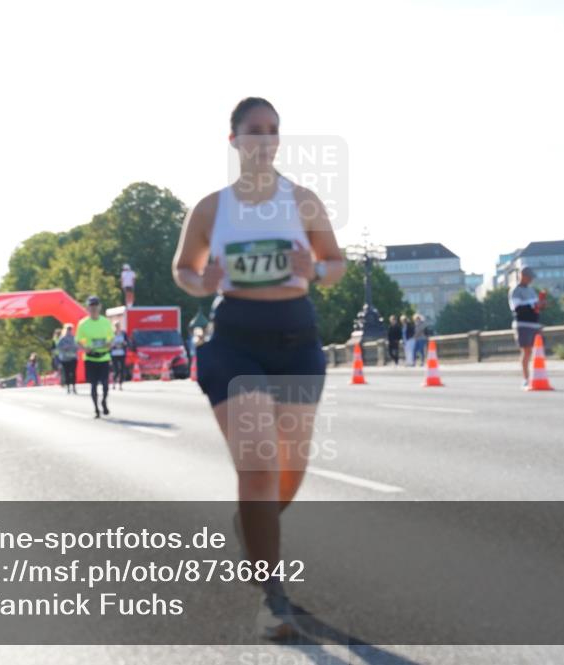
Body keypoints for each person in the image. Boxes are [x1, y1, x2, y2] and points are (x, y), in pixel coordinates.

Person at [172, 97, 345, 640]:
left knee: (291, 471)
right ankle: (273, 598)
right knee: (260, 467)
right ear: (235, 141)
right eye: (254, 131)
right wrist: (203, 280)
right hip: (235, 343)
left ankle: (251, 523)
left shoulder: (303, 201)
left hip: (296, 342)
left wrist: (314, 267)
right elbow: (185, 268)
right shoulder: (210, 209)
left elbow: (336, 264)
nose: (265, 140)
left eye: (273, 131)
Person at [76, 295, 114, 417]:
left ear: (99, 307)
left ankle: (103, 402)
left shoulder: (106, 322)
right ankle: (96, 409)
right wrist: (84, 348)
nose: (93, 309)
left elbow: (111, 338)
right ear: (88, 308)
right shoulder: (83, 324)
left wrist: (109, 343)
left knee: (105, 384)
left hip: (104, 357)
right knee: (93, 385)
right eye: (91, 306)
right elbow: (78, 340)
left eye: (95, 306)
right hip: (90, 358)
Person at [509, 267, 544, 388]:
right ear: (523, 276)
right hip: (523, 324)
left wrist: (540, 305)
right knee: (526, 351)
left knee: (536, 352)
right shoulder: (515, 291)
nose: (531, 280)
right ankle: (526, 378)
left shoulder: (532, 291)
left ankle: (535, 375)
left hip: (534, 323)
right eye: (530, 277)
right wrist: (533, 305)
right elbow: (517, 309)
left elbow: (535, 308)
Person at [56, 323, 79, 394]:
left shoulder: (74, 338)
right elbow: (58, 347)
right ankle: (68, 387)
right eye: (68, 329)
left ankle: (74, 387)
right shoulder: (62, 339)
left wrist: (74, 348)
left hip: (73, 358)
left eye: (70, 329)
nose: (69, 331)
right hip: (65, 359)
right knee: (67, 373)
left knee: (73, 373)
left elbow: (77, 347)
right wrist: (64, 348)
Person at [110, 322, 128, 390]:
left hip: (122, 353)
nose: (117, 327)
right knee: (116, 370)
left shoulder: (123, 333)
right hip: (114, 354)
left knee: (122, 370)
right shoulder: (112, 334)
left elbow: (127, 342)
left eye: (118, 326)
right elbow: (109, 344)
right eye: (116, 326)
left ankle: (120, 384)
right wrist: (113, 345)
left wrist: (124, 343)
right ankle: (114, 383)